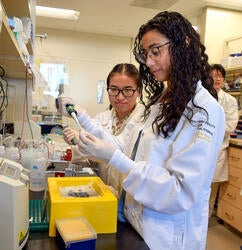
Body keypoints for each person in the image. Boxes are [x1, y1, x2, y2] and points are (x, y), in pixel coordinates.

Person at [71, 11, 225, 250]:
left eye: (156, 51)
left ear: (183, 44)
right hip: (137, 224)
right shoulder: (160, 102)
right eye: (146, 54)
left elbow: (179, 191)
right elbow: (124, 144)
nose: (149, 61)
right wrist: (84, 121)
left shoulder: (205, 110)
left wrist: (114, 158)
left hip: (167, 237)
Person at [61, 63, 144, 199]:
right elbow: (94, 160)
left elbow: (121, 151)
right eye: (114, 89)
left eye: (128, 90)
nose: (120, 97)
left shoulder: (144, 122)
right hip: (104, 197)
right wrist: (78, 143)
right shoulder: (102, 118)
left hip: (131, 201)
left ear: (139, 91)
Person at [209, 64, 238, 217]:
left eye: (220, 76)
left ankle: (205, 220)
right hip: (201, 149)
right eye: (214, 75)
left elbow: (231, 125)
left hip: (218, 150)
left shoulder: (230, 100)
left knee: (212, 189)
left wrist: (210, 127)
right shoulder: (202, 97)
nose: (217, 78)